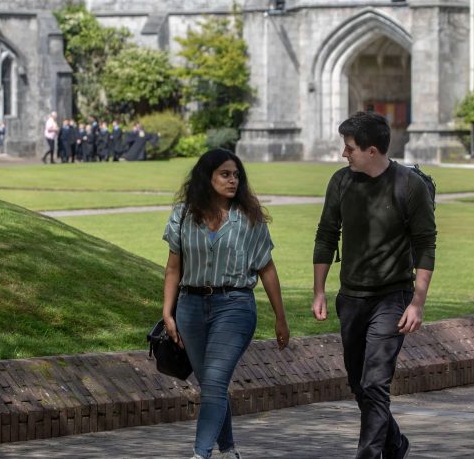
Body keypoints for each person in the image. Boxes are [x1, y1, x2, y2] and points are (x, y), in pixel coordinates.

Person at [312, 111, 437, 459]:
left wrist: (418, 302)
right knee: (358, 384)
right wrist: (319, 290)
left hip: (393, 298)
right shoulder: (340, 182)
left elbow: (426, 245)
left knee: (375, 383)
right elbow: (326, 236)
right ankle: (395, 443)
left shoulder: (409, 185)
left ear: (371, 150)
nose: (343, 154)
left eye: (349, 148)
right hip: (351, 298)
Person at [162, 149, 290, 459]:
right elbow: (173, 268)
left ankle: (201, 454)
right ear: (207, 178)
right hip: (190, 306)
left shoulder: (249, 219)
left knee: (216, 379)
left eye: (236, 175)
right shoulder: (183, 215)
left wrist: (280, 318)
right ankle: (229, 450)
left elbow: (267, 269)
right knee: (211, 385)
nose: (233, 180)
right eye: (225, 174)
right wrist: (167, 311)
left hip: (234, 305)